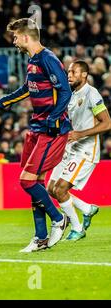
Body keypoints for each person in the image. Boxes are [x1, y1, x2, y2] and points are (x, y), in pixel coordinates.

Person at [0, 18, 72, 252]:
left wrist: (53, 119)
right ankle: (41, 237)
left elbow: (65, 91)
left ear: (25, 37)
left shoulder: (48, 59)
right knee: (35, 181)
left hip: (50, 130)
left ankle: (58, 219)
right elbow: (27, 89)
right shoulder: (33, 60)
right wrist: (0, 104)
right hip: (36, 127)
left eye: (15, 37)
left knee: (27, 180)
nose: (14, 41)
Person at [48, 60, 111, 240]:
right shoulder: (71, 94)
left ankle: (77, 228)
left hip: (85, 150)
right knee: (50, 189)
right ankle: (86, 208)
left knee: (60, 190)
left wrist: (80, 134)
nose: (69, 75)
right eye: (68, 72)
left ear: (84, 74)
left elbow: (107, 123)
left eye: (73, 72)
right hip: (70, 147)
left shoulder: (92, 94)